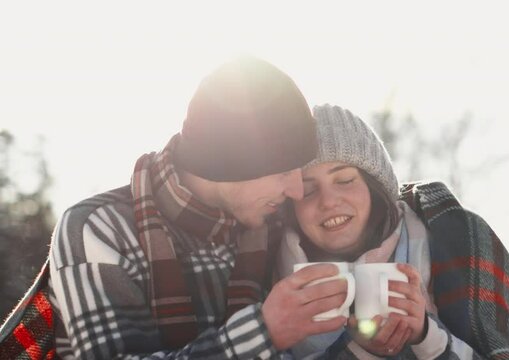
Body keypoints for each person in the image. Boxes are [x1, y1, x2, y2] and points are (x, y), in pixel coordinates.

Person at [47, 57, 353, 359]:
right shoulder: (100, 229)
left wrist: (367, 348)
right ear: (229, 165)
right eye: (284, 172)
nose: (297, 191)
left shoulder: (277, 225)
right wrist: (263, 333)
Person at [275, 104, 509, 359]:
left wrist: (427, 337)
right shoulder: (264, 270)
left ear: (376, 187)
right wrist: (355, 350)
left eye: (345, 180)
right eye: (308, 189)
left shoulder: (456, 240)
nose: (328, 201)